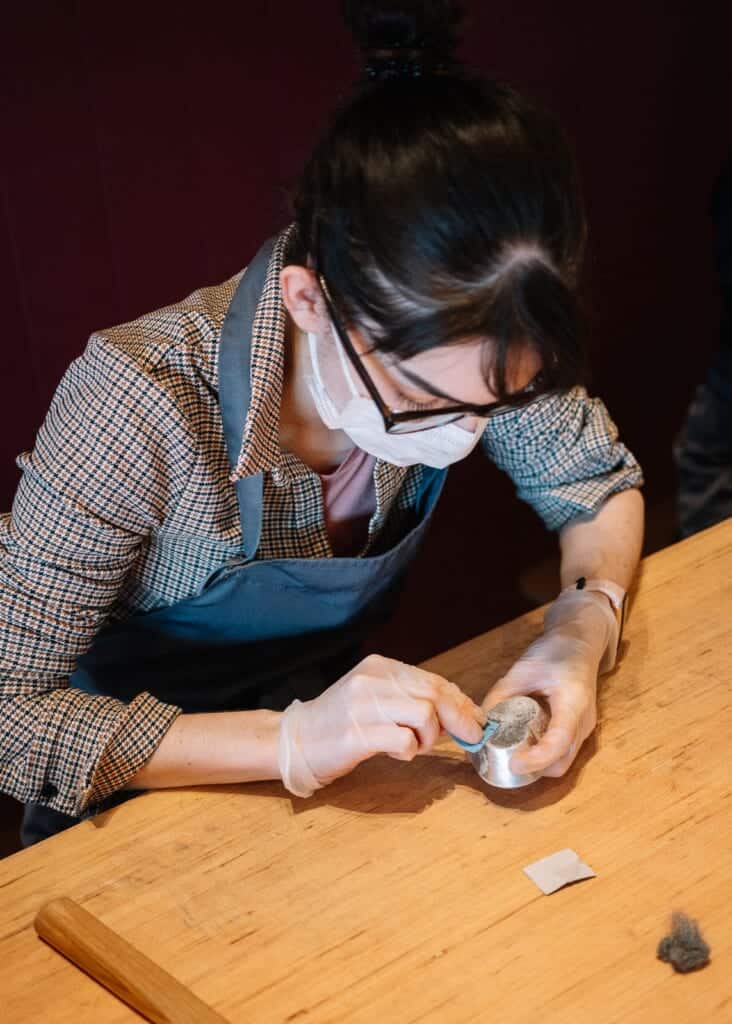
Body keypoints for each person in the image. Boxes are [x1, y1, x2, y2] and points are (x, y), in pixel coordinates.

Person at [0, 0, 644, 847]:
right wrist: (290, 740)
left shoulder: (488, 344)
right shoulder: (140, 397)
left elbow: (592, 485)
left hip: (348, 766)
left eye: (495, 405)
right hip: (139, 801)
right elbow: (11, 713)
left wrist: (581, 624)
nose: (461, 432)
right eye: (423, 398)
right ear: (310, 300)